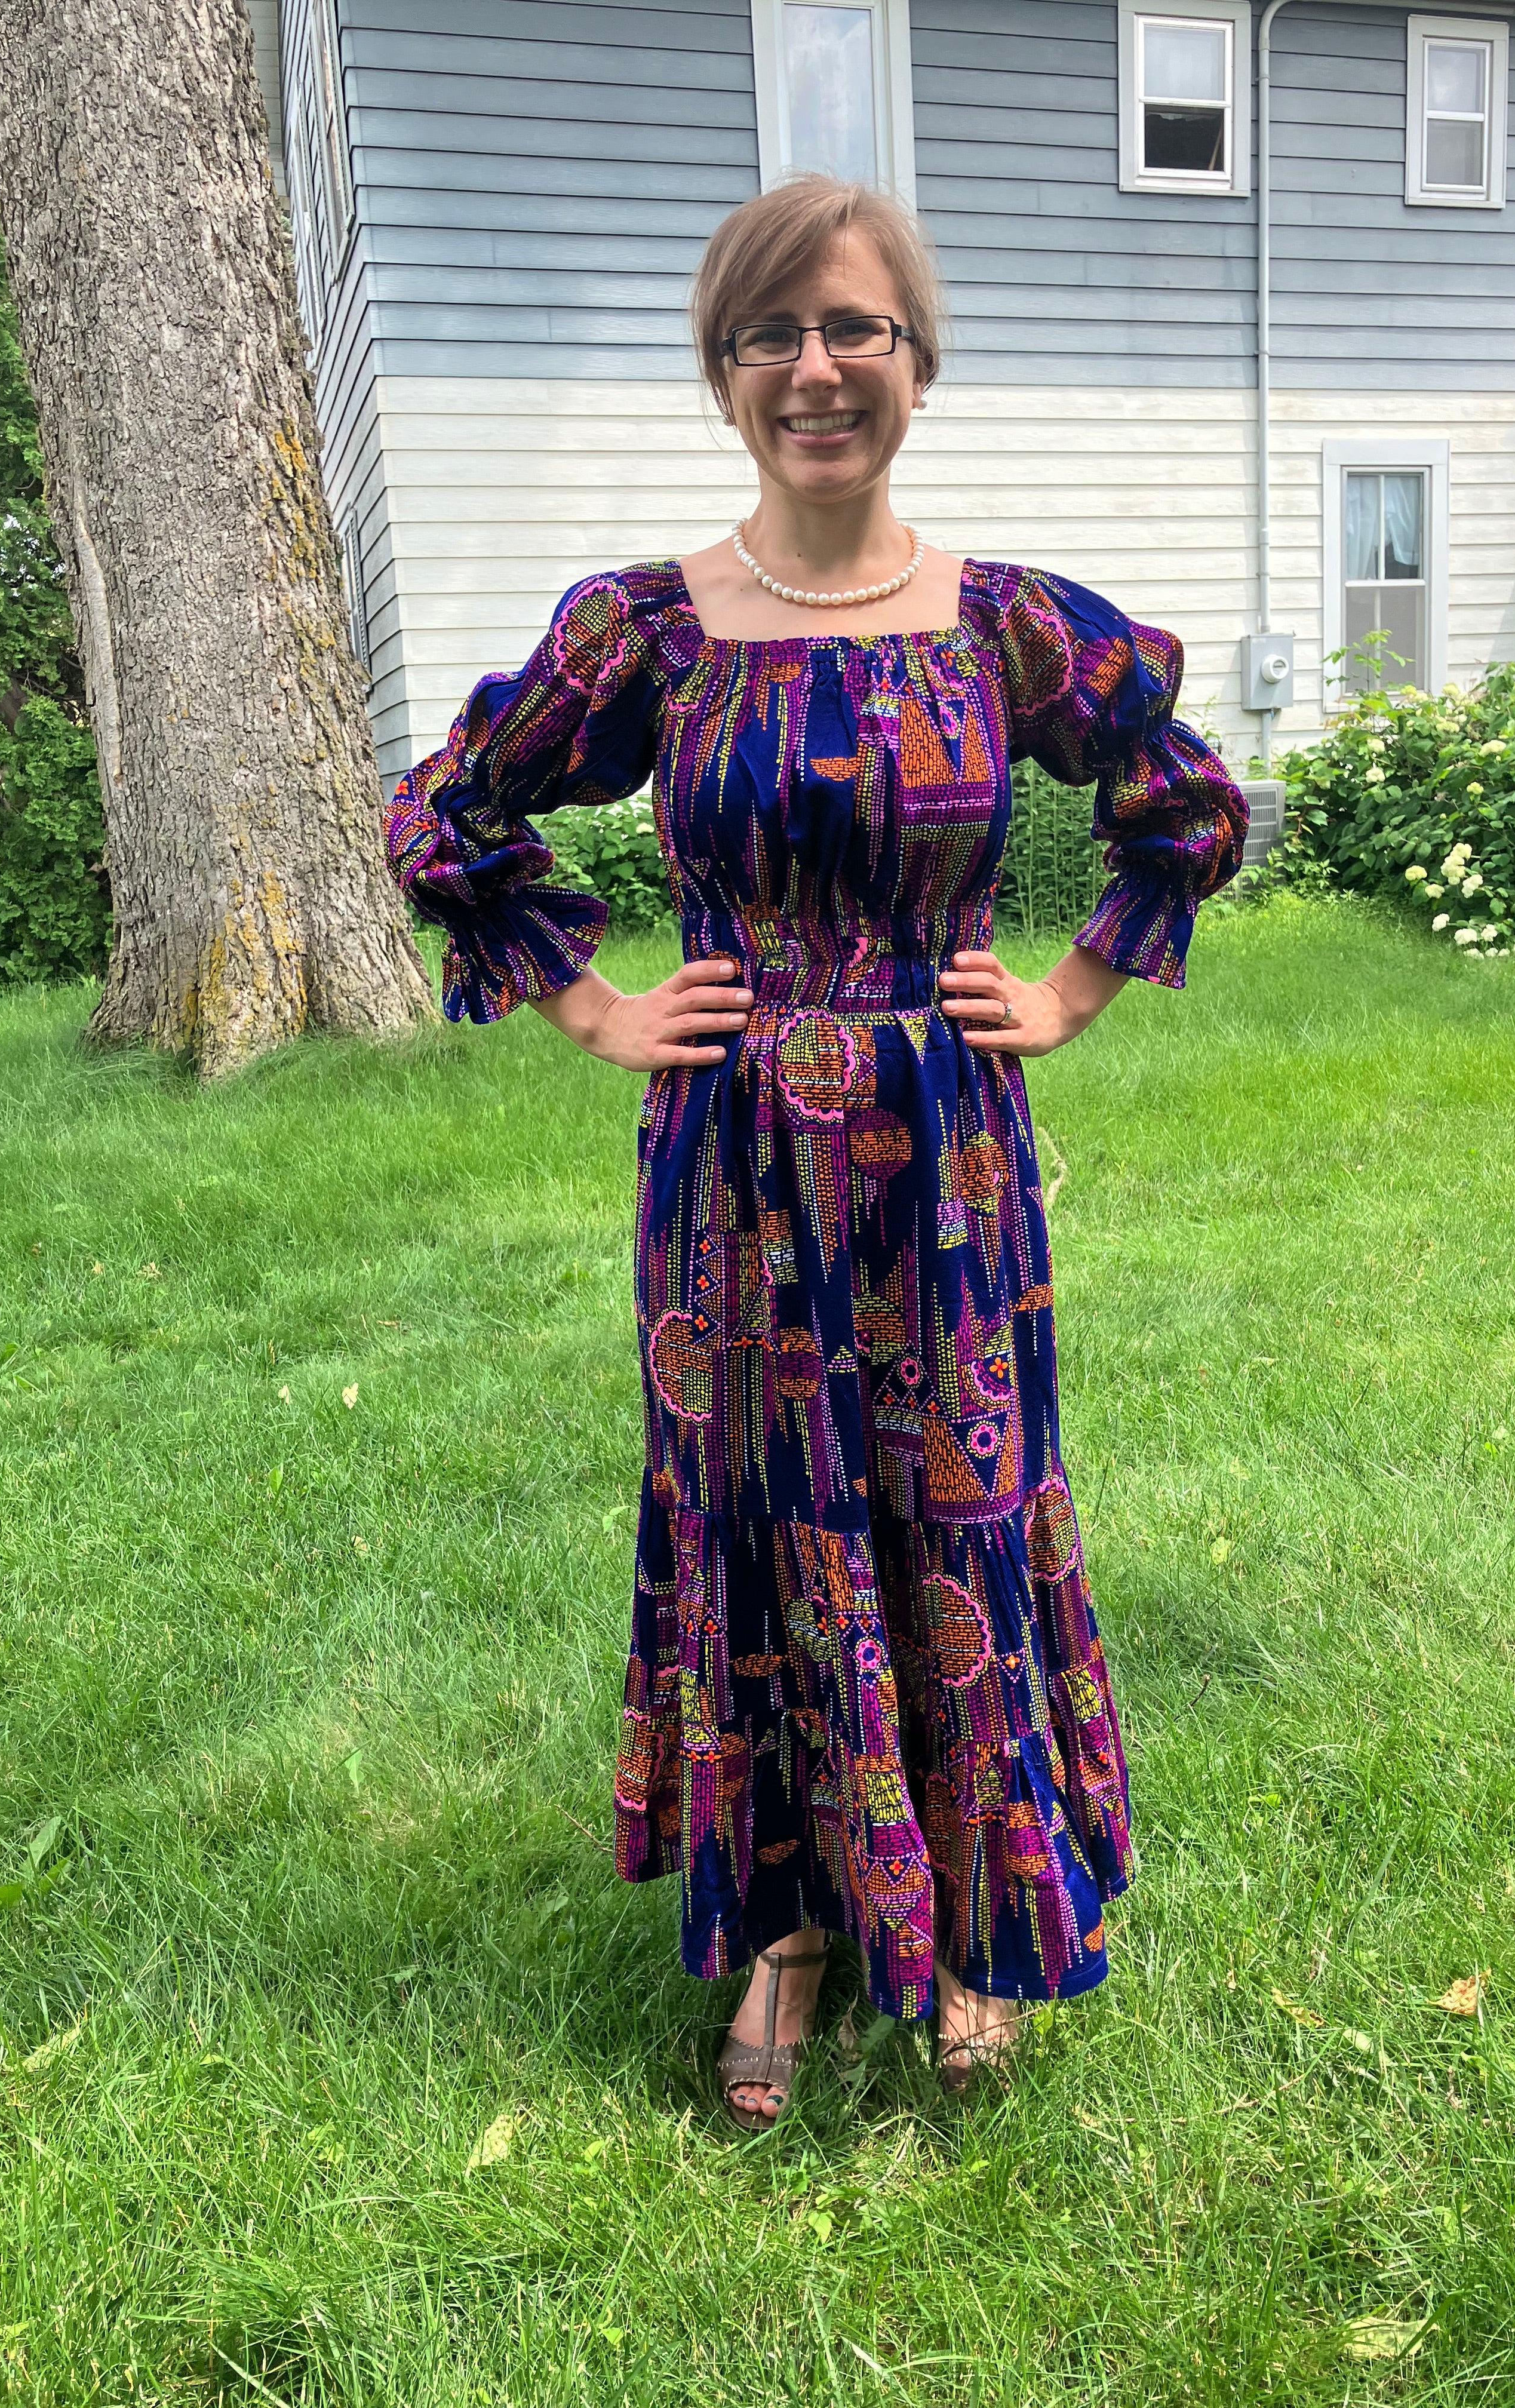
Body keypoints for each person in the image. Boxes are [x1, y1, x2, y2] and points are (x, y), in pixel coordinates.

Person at [386, 176, 1246, 2130]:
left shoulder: (1010, 627)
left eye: (855, 328)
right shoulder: (649, 635)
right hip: (729, 1161)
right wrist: (598, 1007)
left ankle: (956, 1916)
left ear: (918, 364)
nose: (817, 369)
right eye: (773, 334)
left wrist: (1079, 987)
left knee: (955, 1495)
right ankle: (787, 1928)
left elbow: (1183, 796)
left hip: (946, 1164)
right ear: (724, 375)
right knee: (764, 1510)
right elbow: (448, 816)